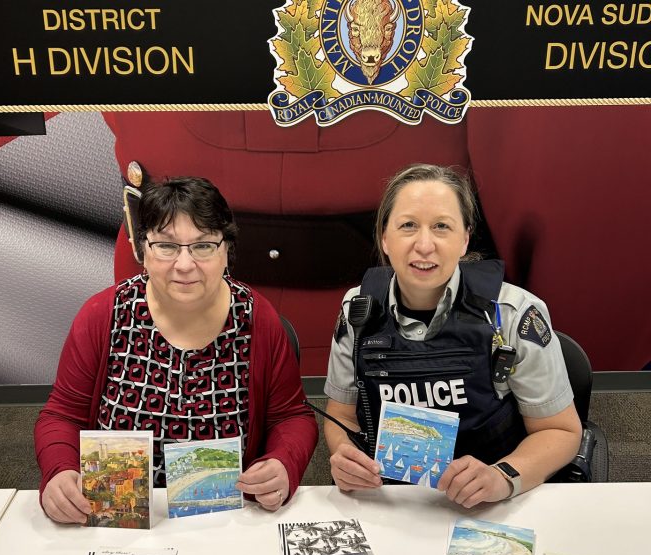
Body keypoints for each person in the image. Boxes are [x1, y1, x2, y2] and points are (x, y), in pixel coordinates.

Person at [35, 176, 318, 523]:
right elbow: (62, 415)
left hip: (224, 519)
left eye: (202, 246)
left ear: (226, 250)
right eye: (167, 246)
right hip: (118, 517)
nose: (184, 265)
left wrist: (283, 463)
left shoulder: (258, 321)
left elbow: (292, 417)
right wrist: (59, 471)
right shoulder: (103, 315)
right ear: (143, 250)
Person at [323, 164, 582, 508]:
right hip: (393, 502)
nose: (424, 245)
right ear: (385, 238)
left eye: (442, 226)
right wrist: (345, 455)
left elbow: (561, 431)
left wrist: (502, 476)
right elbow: (342, 416)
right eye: (408, 226)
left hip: (491, 505)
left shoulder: (513, 314)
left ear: (464, 239)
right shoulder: (358, 312)